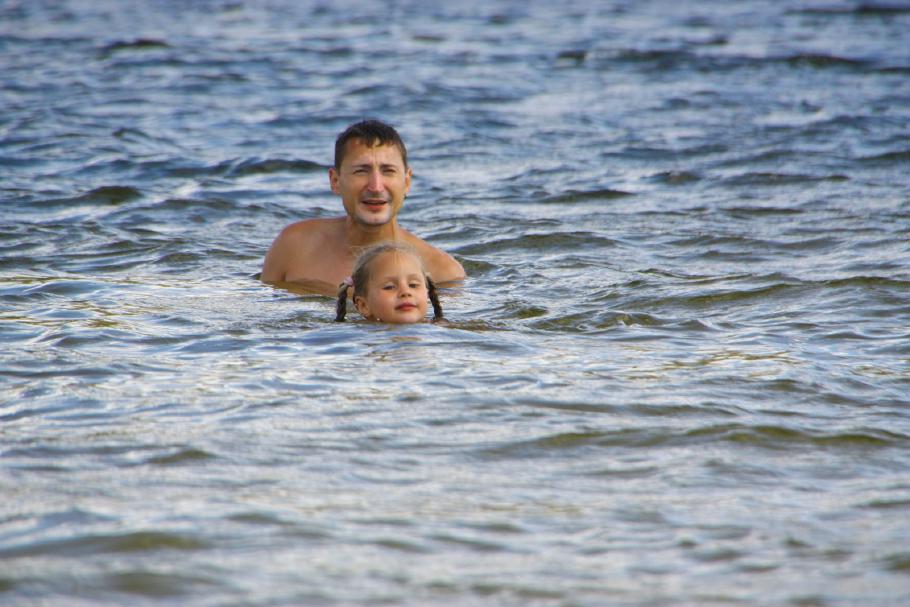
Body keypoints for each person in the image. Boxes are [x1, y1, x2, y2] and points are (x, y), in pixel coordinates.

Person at [261, 119, 465, 295]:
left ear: (407, 182)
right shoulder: (293, 247)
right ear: (335, 181)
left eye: (388, 171)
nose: (376, 187)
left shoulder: (442, 273)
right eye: (361, 171)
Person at [335, 242, 443, 323]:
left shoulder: (441, 330)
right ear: (364, 306)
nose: (405, 292)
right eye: (389, 287)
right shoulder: (356, 337)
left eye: (413, 285)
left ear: (427, 294)